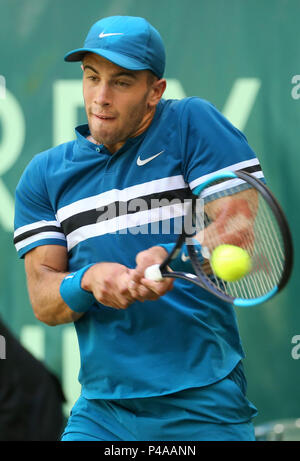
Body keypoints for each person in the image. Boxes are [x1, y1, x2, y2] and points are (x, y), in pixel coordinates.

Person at [14, 15, 262, 441]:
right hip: (103, 412)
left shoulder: (191, 124)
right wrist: (88, 280)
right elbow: (44, 300)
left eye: (122, 82)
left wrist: (174, 253)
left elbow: (238, 226)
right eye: (92, 77)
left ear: (155, 92)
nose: (101, 97)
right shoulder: (44, 176)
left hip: (203, 401)